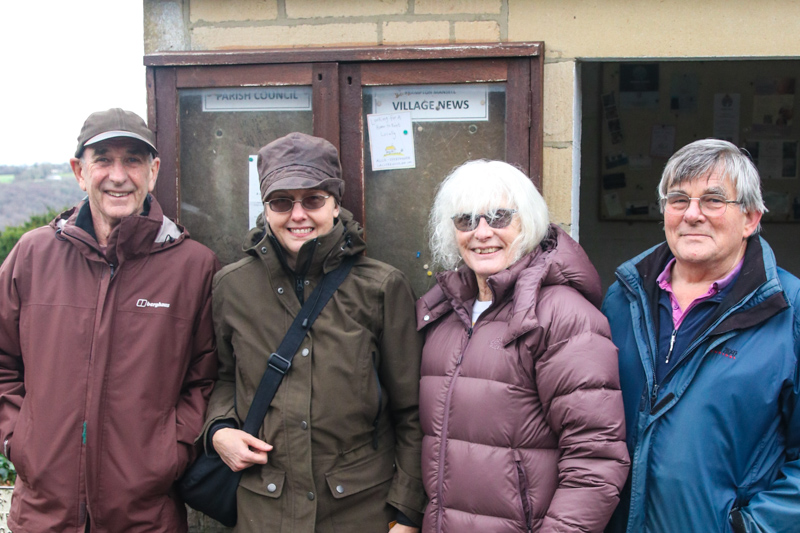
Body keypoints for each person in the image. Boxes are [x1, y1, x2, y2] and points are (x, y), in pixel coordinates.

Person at [0, 108, 219, 532]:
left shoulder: (194, 267)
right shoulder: (31, 256)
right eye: (103, 159)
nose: (118, 175)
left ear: (153, 172)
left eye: (133, 160)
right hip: (43, 517)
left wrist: (167, 453)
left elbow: (207, 378)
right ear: (79, 171)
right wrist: (18, 439)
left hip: (145, 518)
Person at [203, 132, 425, 532]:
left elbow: (411, 413)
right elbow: (222, 378)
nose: (298, 214)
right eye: (282, 202)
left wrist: (407, 513)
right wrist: (219, 430)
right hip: (263, 512)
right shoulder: (231, 287)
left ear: (336, 204)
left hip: (361, 512)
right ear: (266, 208)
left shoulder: (381, 287)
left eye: (313, 200)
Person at [417, 160, 630, 533]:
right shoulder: (444, 314)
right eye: (466, 220)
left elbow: (596, 459)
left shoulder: (562, 315)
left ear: (527, 222)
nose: (481, 233)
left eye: (499, 217)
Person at [602, 139, 800, 533]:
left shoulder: (789, 312)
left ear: (750, 218)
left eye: (713, 200)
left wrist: (750, 527)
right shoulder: (622, 299)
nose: (692, 215)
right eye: (678, 200)